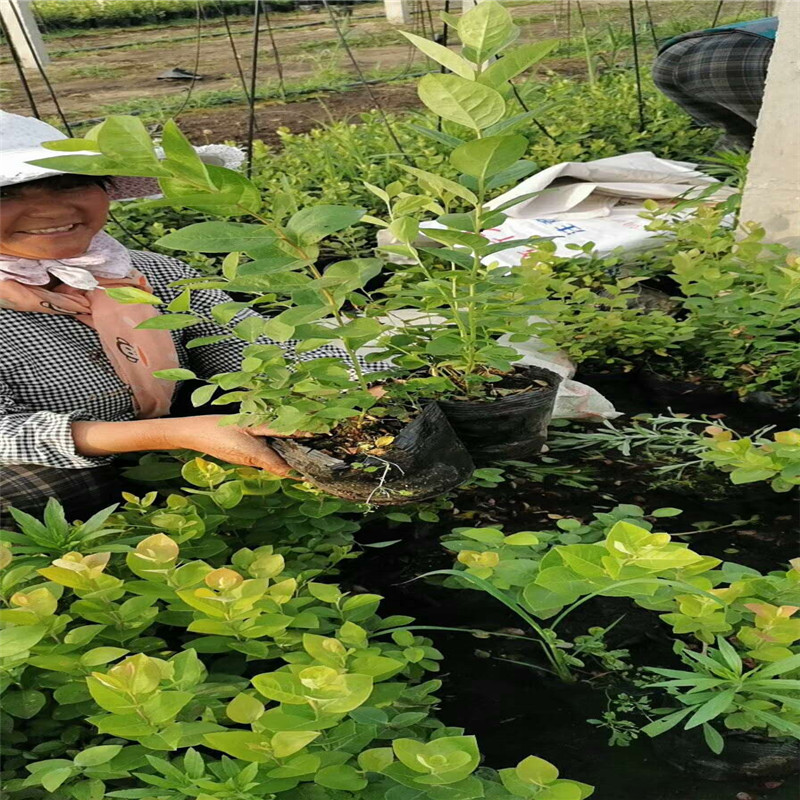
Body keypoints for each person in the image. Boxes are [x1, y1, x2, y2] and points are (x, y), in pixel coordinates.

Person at [0, 111, 378, 519]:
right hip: (35, 458)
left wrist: (360, 385)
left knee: (288, 426)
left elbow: (247, 341)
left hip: (166, 425)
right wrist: (176, 433)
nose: (50, 209)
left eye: (70, 183)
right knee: (49, 492)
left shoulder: (146, 271)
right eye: (6, 194)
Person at [652, 16, 778, 151]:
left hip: (670, 57)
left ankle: (710, 171)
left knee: (742, 133)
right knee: (781, 136)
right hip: (744, 56)